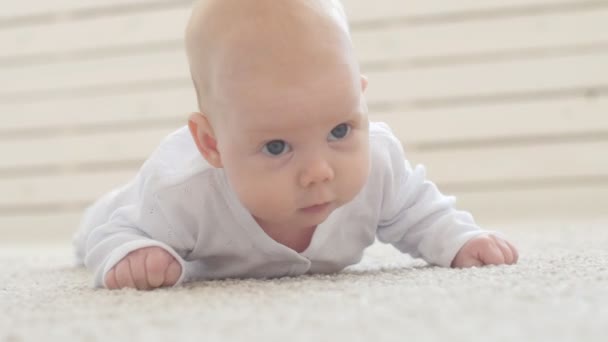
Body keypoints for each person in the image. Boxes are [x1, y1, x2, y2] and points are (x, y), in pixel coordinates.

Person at [73, 0, 518, 290]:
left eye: (340, 131)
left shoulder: (379, 162)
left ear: (359, 98)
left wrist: (460, 240)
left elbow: (421, 213)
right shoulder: (181, 193)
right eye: (276, 147)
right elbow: (117, 233)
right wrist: (133, 253)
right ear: (213, 145)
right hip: (132, 205)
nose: (319, 171)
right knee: (104, 220)